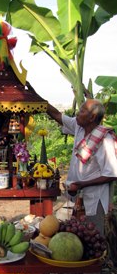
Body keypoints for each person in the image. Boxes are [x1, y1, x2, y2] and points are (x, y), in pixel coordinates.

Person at [46, 98, 117, 236]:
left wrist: (81, 185)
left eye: (82, 111)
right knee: (77, 238)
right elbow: (56, 115)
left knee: (94, 238)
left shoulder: (105, 139)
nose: (77, 113)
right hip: (78, 195)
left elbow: (112, 173)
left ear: (92, 117)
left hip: (95, 200)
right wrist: (34, 96)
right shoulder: (79, 127)